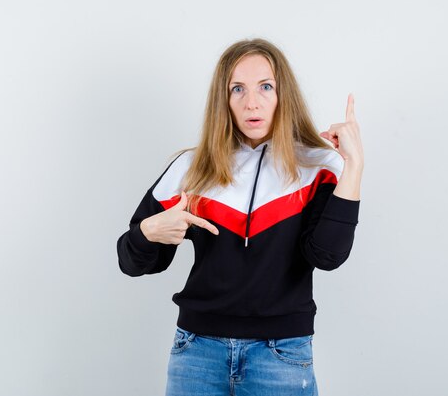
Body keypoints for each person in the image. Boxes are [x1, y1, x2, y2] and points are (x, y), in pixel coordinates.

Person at [116, 38, 363, 396]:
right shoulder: (192, 167)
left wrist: (353, 166)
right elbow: (132, 261)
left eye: (265, 87)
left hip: (280, 355)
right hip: (197, 352)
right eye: (237, 89)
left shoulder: (318, 167)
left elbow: (326, 256)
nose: (252, 102)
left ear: (284, 95)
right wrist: (147, 232)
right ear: (224, 101)